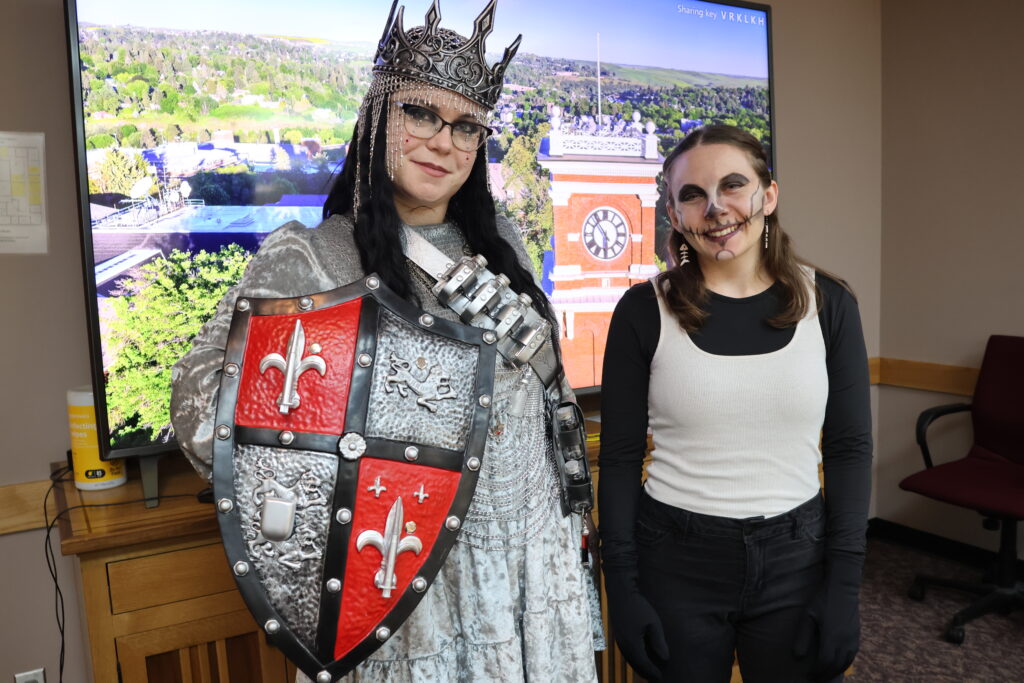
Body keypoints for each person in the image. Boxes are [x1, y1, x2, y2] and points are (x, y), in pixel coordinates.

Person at [169, 1, 600, 681]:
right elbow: (199, 409)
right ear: (376, 116)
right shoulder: (311, 256)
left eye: (466, 126)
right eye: (420, 114)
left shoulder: (505, 245)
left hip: (530, 563)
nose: (443, 142)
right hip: (403, 584)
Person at [598, 124, 872, 683]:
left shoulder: (830, 304)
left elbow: (849, 449)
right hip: (675, 560)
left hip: (798, 557)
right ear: (674, 215)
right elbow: (620, 458)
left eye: (732, 185)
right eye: (692, 194)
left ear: (768, 196)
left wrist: (844, 586)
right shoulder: (642, 311)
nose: (716, 208)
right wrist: (622, 588)